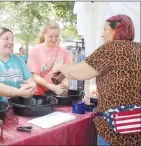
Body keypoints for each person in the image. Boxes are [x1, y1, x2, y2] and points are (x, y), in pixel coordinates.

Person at [52, 14, 141, 145]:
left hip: (112, 129)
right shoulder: (139, 48)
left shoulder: (110, 49)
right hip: (136, 125)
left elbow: (76, 72)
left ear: (117, 30)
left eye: (105, 30)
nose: (102, 35)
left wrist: (60, 66)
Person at [0, 27, 36, 101]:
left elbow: (30, 79)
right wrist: (19, 92)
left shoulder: (18, 59)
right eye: (6, 38)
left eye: (12, 39)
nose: (11, 42)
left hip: (16, 107)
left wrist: (31, 87)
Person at [27, 22, 71, 96]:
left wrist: (65, 86)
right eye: (50, 37)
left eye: (56, 36)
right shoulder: (35, 51)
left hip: (59, 93)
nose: (54, 39)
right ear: (44, 35)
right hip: (40, 94)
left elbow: (67, 73)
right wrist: (53, 88)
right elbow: (35, 76)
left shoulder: (64, 51)